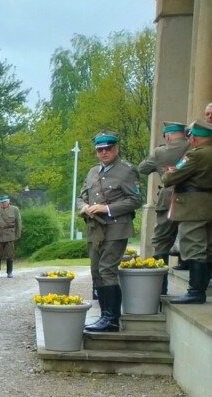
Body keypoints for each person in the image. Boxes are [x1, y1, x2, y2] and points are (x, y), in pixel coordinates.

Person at [78, 131, 142, 332]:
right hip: (95, 228)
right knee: (96, 271)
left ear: (116, 148)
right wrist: (83, 207)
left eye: (108, 148)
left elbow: (136, 200)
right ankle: (104, 315)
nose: (104, 152)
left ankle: (112, 318)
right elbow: (81, 196)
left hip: (116, 227)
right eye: (100, 149)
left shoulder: (127, 171)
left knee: (107, 270)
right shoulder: (92, 172)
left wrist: (107, 208)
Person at [163, 120, 212, 304]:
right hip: (208, 206)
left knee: (194, 248)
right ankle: (200, 289)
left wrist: (168, 172)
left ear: (195, 137)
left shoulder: (195, 155)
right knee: (207, 249)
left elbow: (170, 177)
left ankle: (196, 292)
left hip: (192, 208)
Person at [137, 121, 190, 283]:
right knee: (193, 238)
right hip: (193, 200)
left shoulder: (160, 152)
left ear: (168, 135)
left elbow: (142, 168)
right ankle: (189, 272)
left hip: (168, 200)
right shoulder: (193, 148)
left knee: (161, 241)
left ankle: (161, 286)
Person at [0, 195, 21, 277]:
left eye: (5, 202)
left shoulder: (14, 209)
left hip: (9, 234)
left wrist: (17, 235)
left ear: (8, 201)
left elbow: (18, 223)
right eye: (1, 202)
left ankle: (9, 272)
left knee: (10, 255)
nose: (3, 203)